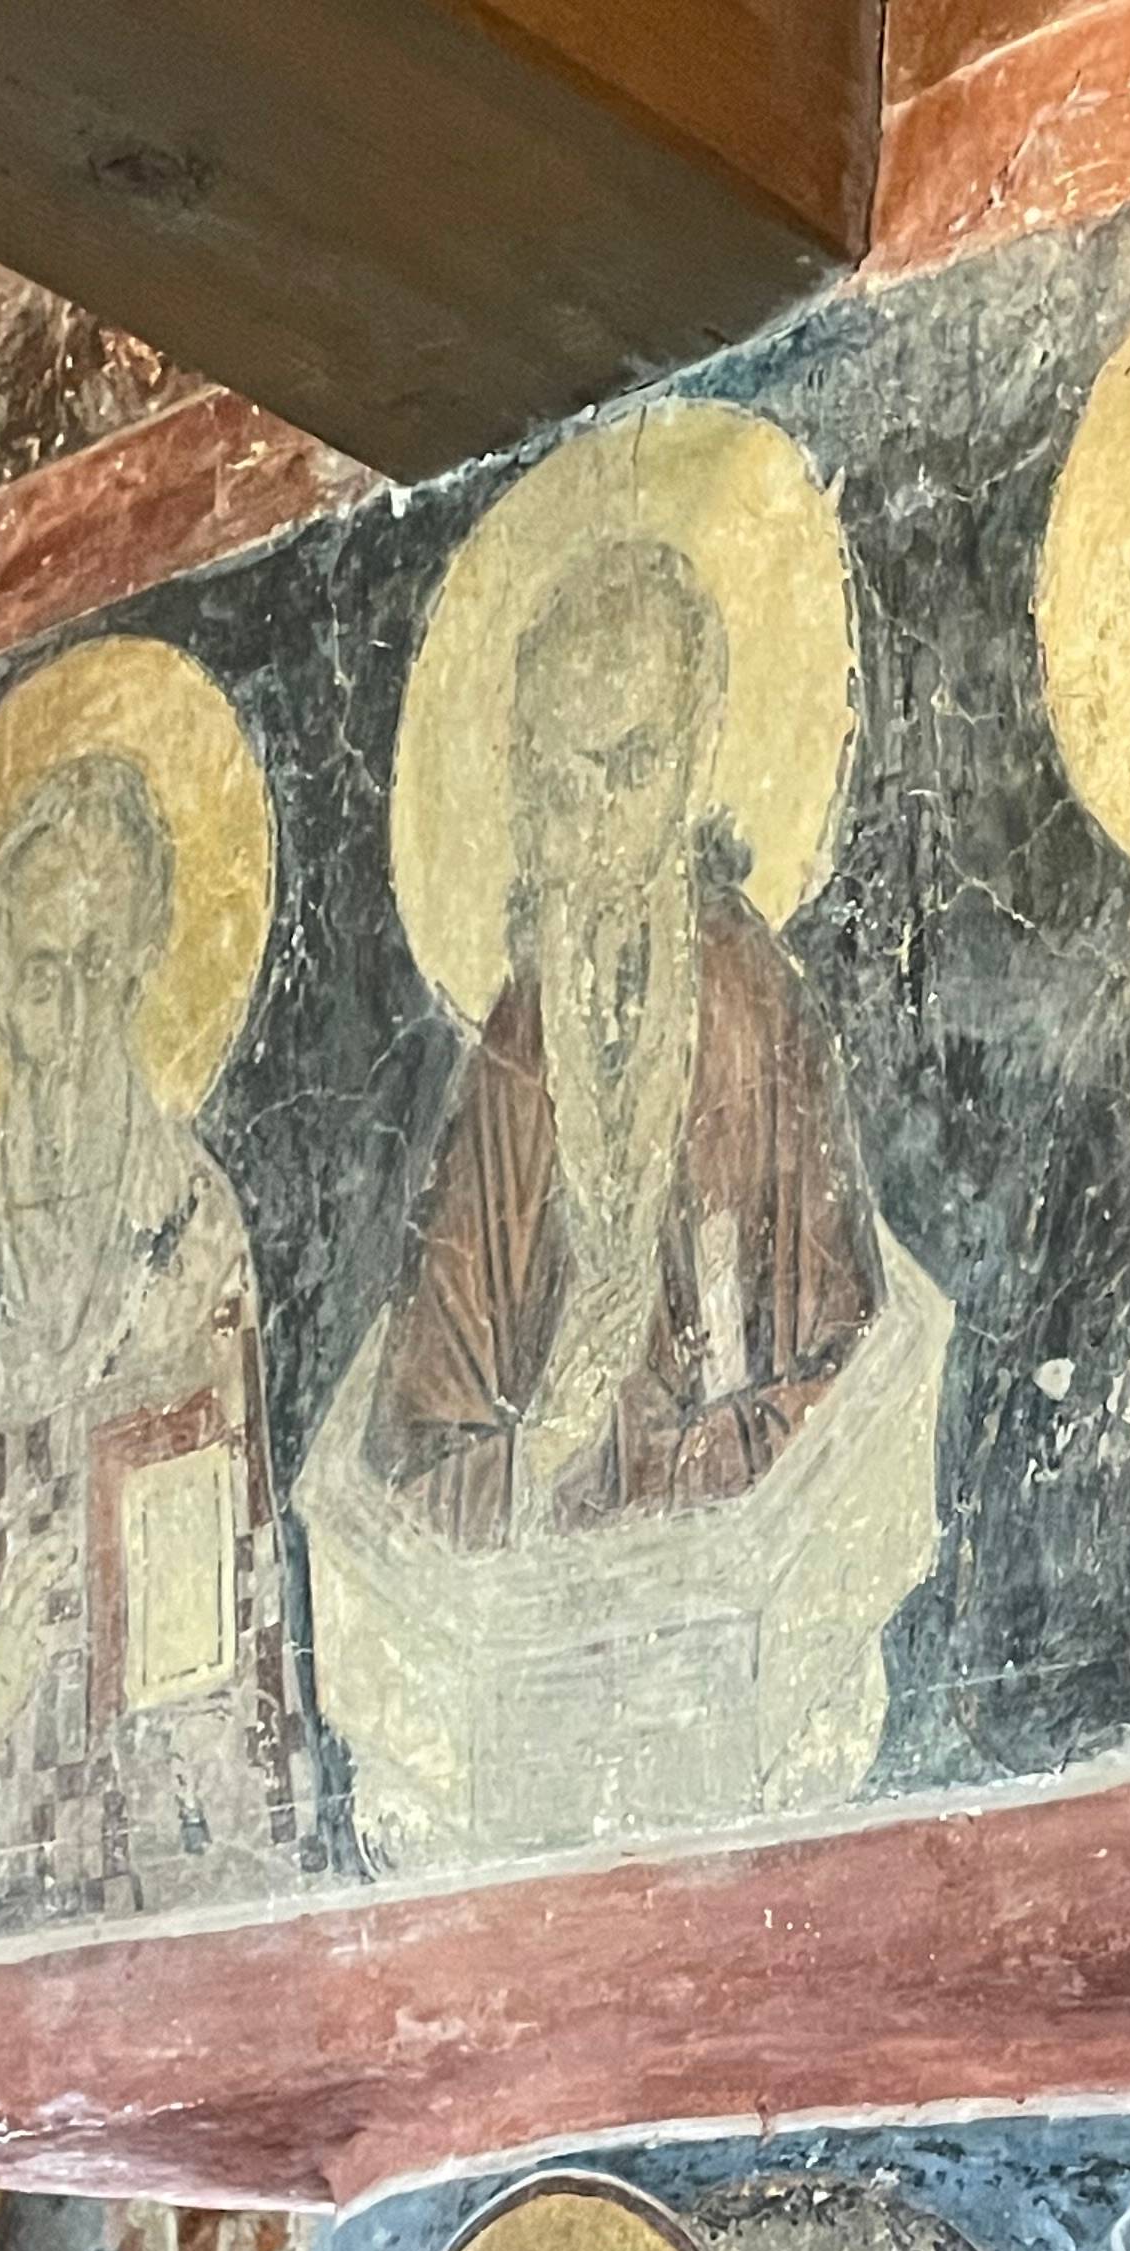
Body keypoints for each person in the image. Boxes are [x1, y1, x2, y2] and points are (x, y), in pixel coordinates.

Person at [0, 747, 310, 1936]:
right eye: (41, 977)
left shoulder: (193, 1233)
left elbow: (241, 1628)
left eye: (99, 972)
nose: (69, 1025)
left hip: (163, 1869)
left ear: (142, 971)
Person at [365, 536, 880, 1550]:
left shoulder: (751, 1008)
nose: (602, 828)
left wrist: (647, 1464)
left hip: (716, 1557)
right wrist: (537, 1459)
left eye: (634, 769)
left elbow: (838, 1375)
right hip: (542, 1575)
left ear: (693, 759)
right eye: (568, 788)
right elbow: (426, 1438)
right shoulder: (518, 1048)